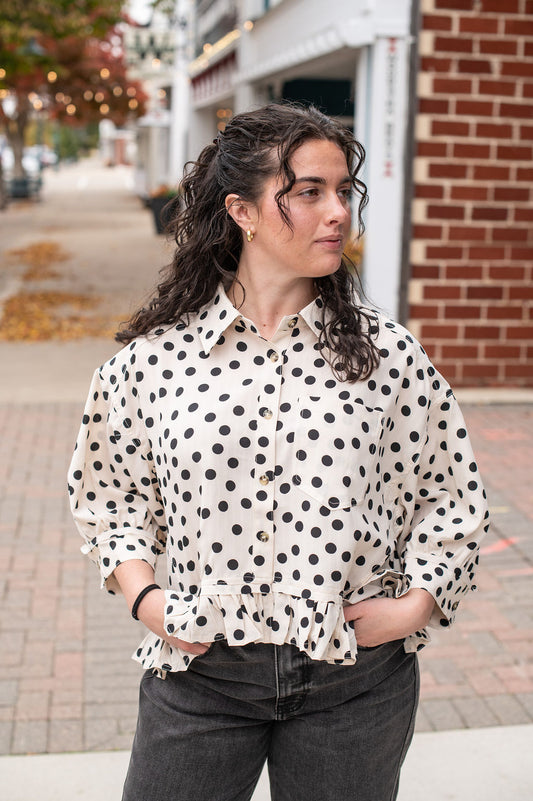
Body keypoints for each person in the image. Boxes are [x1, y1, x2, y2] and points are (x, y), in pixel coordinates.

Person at [68, 103, 489, 801]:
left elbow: (449, 495)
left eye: (343, 192)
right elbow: (109, 497)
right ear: (243, 211)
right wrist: (146, 598)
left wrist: (414, 605)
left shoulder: (387, 358)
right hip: (202, 675)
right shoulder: (150, 363)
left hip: (353, 680)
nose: (337, 213)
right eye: (307, 192)